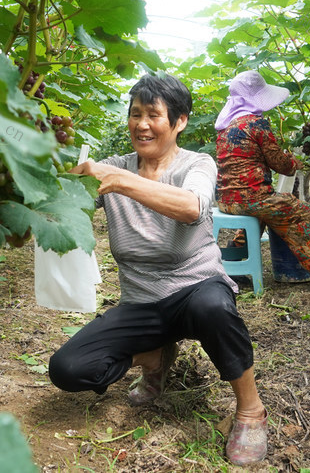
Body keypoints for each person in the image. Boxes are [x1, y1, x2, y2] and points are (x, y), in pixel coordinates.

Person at [48, 73, 268, 466]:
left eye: (153, 115)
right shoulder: (114, 167)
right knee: (67, 368)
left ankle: (251, 410)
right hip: (141, 302)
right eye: (135, 114)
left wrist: (120, 182)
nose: (142, 124)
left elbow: (192, 207)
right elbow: (64, 201)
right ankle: (153, 357)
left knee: (213, 309)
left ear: (180, 121)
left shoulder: (196, 164)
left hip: (196, 289)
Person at [215, 70, 310, 290]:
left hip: (226, 199)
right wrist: (295, 162)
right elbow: (281, 164)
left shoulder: (226, 126)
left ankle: (233, 261)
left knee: (261, 216)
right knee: (304, 212)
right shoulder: (256, 123)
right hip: (252, 198)